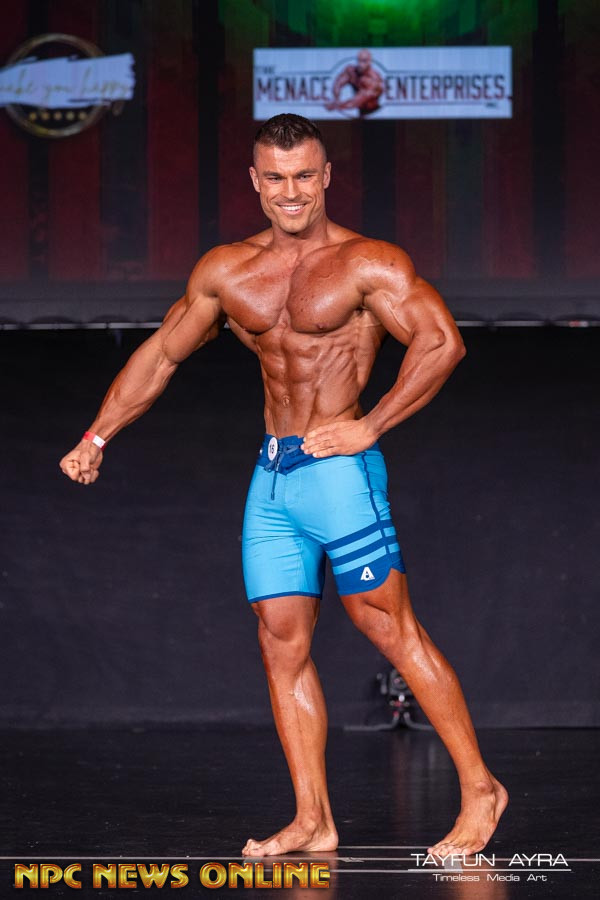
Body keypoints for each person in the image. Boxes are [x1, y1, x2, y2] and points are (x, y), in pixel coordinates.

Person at [60, 113, 508, 858]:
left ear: (326, 176)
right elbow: (161, 354)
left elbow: (441, 343)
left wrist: (372, 425)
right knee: (280, 642)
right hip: (272, 480)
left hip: (338, 470)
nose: (291, 191)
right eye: (275, 177)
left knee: (386, 626)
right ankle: (313, 819)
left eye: (304, 176)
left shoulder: (368, 262)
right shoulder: (226, 270)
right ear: (255, 182)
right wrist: (96, 436)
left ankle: (481, 788)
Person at [326, 48, 384, 115]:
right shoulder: (351, 71)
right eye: (359, 60)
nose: (360, 64)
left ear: (369, 62)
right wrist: (336, 98)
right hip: (360, 112)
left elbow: (356, 102)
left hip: (374, 113)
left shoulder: (374, 80)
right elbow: (338, 84)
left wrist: (336, 106)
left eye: (364, 61)